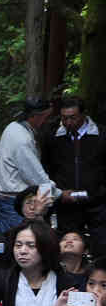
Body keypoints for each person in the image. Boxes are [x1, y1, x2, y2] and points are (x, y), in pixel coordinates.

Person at [43, 95, 106, 255]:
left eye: (73, 117)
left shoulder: (101, 134)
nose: (68, 122)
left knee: (101, 247)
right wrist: (57, 194)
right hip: (66, 203)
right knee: (67, 248)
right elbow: (47, 168)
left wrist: (100, 192)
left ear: (83, 115)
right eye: (64, 118)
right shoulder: (53, 136)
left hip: (97, 203)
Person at [0, 97, 58, 233]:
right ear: (36, 116)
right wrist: (60, 194)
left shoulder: (13, 127)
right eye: (46, 117)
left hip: (11, 199)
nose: (48, 121)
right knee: (23, 240)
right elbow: (36, 177)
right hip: (16, 201)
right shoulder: (21, 138)